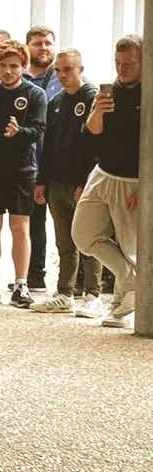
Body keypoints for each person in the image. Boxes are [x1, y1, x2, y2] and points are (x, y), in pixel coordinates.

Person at [0, 41, 47, 308]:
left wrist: (19, 132)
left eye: (14, 66)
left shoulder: (35, 94)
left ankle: (21, 284)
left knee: (19, 227)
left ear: (23, 67)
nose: (8, 71)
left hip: (21, 170)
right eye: (3, 66)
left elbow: (38, 129)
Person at [72, 34, 142, 329]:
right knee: (83, 235)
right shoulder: (108, 91)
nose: (122, 68)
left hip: (134, 179)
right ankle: (132, 283)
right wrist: (98, 111)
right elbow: (90, 136)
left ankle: (122, 304)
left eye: (129, 63)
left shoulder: (148, 93)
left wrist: (145, 186)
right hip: (103, 173)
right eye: (118, 62)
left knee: (131, 246)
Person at [31, 49, 101, 317]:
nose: (62, 75)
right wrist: (42, 181)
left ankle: (93, 294)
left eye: (68, 70)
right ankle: (65, 292)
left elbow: (95, 145)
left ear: (80, 69)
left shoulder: (92, 97)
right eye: (58, 70)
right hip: (56, 182)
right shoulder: (56, 102)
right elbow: (48, 146)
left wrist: (86, 181)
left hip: (82, 182)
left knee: (89, 239)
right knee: (64, 242)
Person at [23, 25, 62, 292]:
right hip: (29, 161)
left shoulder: (61, 76)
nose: (44, 48)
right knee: (32, 221)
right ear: (28, 46)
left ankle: (74, 280)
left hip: (58, 161)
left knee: (64, 223)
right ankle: (33, 274)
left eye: (48, 43)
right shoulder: (18, 76)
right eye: (38, 43)